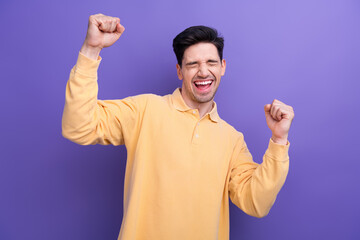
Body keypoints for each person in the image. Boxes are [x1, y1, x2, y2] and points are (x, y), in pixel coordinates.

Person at [62, 13, 295, 240]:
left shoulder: (232, 139)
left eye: (211, 62)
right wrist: (91, 50)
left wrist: (279, 140)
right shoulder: (145, 109)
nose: (203, 71)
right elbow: (79, 126)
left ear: (222, 67)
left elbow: (256, 203)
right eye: (192, 64)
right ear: (179, 71)